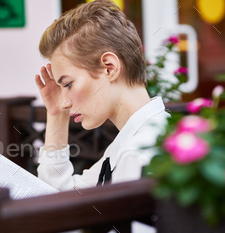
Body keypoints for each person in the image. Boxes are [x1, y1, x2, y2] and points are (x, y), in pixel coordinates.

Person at [35, 0, 169, 191]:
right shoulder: (130, 142)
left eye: (69, 84)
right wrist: (57, 115)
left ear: (109, 67)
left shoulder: (137, 154)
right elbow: (60, 197)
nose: (64, 101)